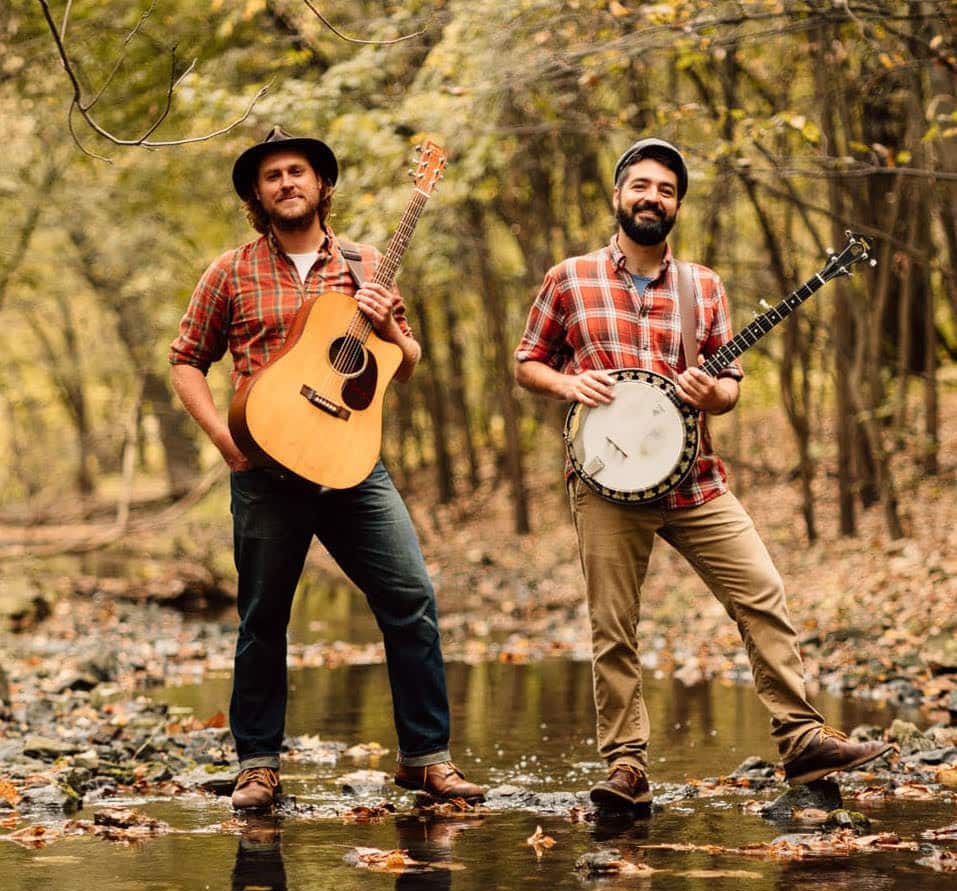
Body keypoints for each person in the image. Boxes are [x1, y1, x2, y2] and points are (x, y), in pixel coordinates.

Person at [514, 137, 891, 808]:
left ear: (676, 204)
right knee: (613, 628)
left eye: (664, 189)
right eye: (640, 185)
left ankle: (801, 741)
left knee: (761, 592)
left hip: (695, 480)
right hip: (605, 483)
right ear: (617, 195)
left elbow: (731, 384)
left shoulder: (701, 286)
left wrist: (708, 391)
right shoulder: (569, 277)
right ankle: (626, 767)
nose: (650, 197)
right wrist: (571, 387)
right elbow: (526, 363)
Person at [169, 126, 484, 810]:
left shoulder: (369, 262)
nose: (287, 182)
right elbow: (186, 358)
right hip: (265, 469)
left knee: (410, 598)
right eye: (273, 175)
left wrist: (389, 324)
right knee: (263, 617)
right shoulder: (230, 271)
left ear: (321, 185)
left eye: (298, 172)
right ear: (257, 194)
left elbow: (405, 361)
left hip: (351, 465)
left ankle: (425, 758)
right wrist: (226, 442)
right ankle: (258, 763)